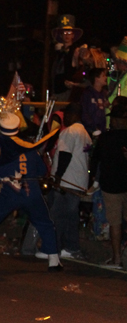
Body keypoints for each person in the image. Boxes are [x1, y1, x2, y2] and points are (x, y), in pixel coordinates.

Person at [0, 113, 62, 271]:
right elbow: (42, 171)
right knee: (45, 223)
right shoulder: (31, 149)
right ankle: (54, 260)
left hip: (9, 194)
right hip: (32, 193)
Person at [48, 103, 91, 260]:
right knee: (71, 216)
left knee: (58, 215)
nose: (64, 118)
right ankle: (71, 247)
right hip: (78, 181)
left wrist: (58, 177)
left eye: (66, 115)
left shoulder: (70, 132)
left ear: (75, 115)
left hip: (67, 182)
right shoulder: (84, 133)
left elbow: (65, 156)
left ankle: (56, 247)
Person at [89, 97, 127, 268]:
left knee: (115, 222)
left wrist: (93, 179)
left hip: (111, 186)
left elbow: (94, 160)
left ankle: (117, 258)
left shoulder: (105, 138)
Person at [81, 68, 109, 137]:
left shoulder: (104, 94)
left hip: (102, 131)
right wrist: (93, 127)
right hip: (90, 131)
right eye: (103, 76)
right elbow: (84, 112)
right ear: (96, 79)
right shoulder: (87, 94)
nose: (106, 77)